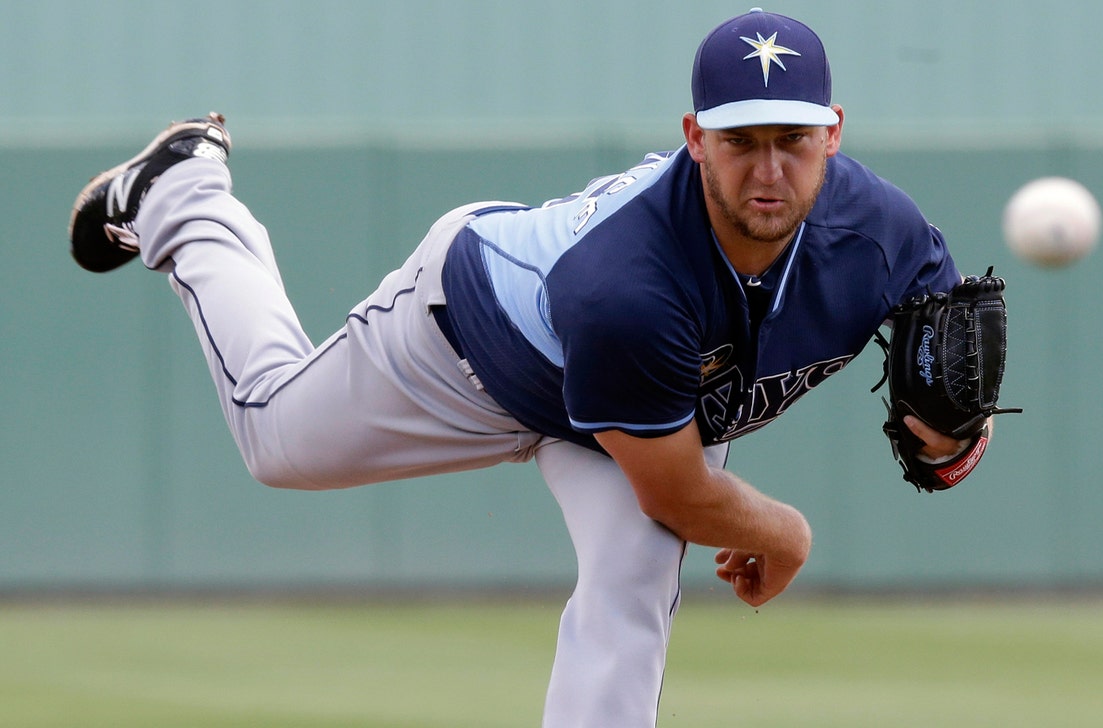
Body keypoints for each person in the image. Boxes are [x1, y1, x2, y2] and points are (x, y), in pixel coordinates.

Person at [68, 8, 987, 727]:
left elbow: (949, 351)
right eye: (740, 140)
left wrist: (953, 436)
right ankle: (184, 192)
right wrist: (786, 531)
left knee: (630, 588)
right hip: (469, 344)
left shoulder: (883, 233)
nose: (769, 170)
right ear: (693, 137)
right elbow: (676, 494)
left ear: (832, 132)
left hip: (630, 413)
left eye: (792, 138)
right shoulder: (628, 287)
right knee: (273, 440)